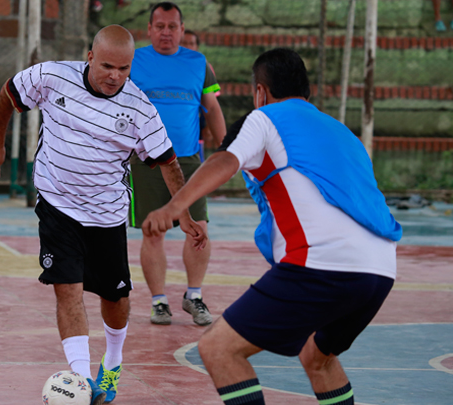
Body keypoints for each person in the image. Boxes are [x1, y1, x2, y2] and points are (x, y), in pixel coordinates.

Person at [142, 48, 401, 405]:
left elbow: (225, 160)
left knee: (219, 349)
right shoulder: (342, 132)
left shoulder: (264, 119)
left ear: (260, 92)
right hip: (379, 270)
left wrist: (175, 205)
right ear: (306, 91)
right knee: (318, 358)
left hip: (320, 265)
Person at [0, 25, 206, 405]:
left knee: (114, 299)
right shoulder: (52, 77)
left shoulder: (139, 108)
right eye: (107, 66)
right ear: (89, 57)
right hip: (57, 204)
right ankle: (82, 381)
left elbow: (167, 160)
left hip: (107, 215)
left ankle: (113, 362)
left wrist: (181, 212)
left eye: (124, 68)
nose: (115, 76)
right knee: (66, 287)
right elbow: (10, 93)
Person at [129, 2, 226, 326]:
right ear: (150, 30)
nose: (166, 32)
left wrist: (229, 150)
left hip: (188, 160)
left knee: (199, 229)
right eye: (160, 26)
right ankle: (159, 302)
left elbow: (211, 108)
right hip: (146, 160)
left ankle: (193, 295)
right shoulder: (133, 61)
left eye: (172, 26)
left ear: (182, 30)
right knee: (153, 232)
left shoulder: (199, 63)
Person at [180, 29, 221, 154]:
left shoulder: (204, 67)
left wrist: (208, 125)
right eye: (184, 43)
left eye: (191, 43)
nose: (188, 46)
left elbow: (211, 102)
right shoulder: (165, 66)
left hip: (195, 127)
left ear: (197, 47)